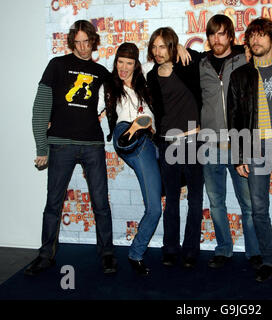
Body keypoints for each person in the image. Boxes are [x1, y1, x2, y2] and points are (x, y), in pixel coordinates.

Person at [198, 14, 272, 269]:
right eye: (252, 35)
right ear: (247, 41)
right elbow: (237, 118)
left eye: (262, 34)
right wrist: (239, 157)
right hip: (255, 151)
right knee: (259, 211)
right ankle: (269, 261)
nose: (257, 40)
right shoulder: (241, 75)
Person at [26, 20, 116, 276]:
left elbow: (122, 93)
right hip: (60, 144)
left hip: (92, 144)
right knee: (53, 203)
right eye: (77, 42)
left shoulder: (101, 71)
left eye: (87, 42)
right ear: (71, 42)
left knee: (100, 203)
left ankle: (107, 254)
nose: (83, 47)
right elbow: (41, 106)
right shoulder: (57, 65)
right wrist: (41, 146)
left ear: (93, 41)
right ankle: (45, 256)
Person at [98, 42, 160, 277]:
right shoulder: (109, 86)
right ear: (115, 63)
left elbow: (160, 58)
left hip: (148, 143)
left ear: (136, 65)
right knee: (129, 130)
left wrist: (183, 48)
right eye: (120, 62)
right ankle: (132, 132)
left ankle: (136, 253)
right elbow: (92, 108)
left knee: (154, 209)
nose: (123, 67)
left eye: (129, 63)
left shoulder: (143, 86)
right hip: (125, 134)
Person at [147, 27, 204, 268]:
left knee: (195, 199)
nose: (158, 52)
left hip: (193, 141)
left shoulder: (186, 63)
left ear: (172, 46)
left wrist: (184, 48)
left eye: (163, 46)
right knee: (171, 199)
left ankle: (191, 249)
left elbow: (212, 56)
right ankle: (170, 248)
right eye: (154, 47)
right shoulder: (151, 76)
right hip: (168, 142)